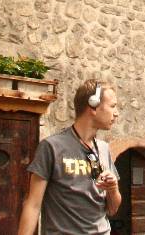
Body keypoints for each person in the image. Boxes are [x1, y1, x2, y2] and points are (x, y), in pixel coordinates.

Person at [16, 79, 122, 235]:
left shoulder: (104, 149)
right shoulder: (51, 147)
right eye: (112, 106)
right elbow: (33, 205)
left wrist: (113, 189)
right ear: (93, 106)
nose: (116, 113)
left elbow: (112, 209)